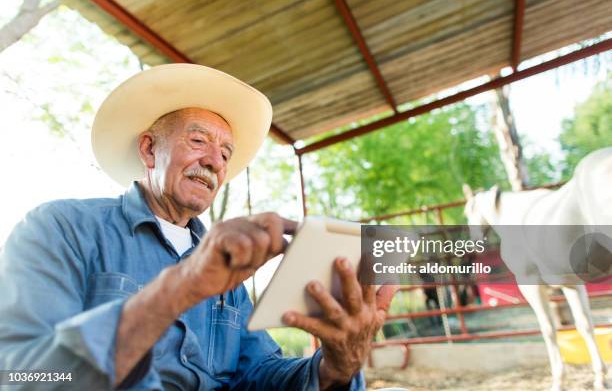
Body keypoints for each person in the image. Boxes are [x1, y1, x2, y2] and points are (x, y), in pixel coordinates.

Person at [0, 64, 397, 390]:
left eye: (225, 152)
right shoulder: (63, 229)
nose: (216, 161)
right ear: (149, 149)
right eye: (198, 141)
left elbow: (258, 375)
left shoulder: (230, 281)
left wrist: (336, 368)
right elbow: (19, 374)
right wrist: (179, 288)